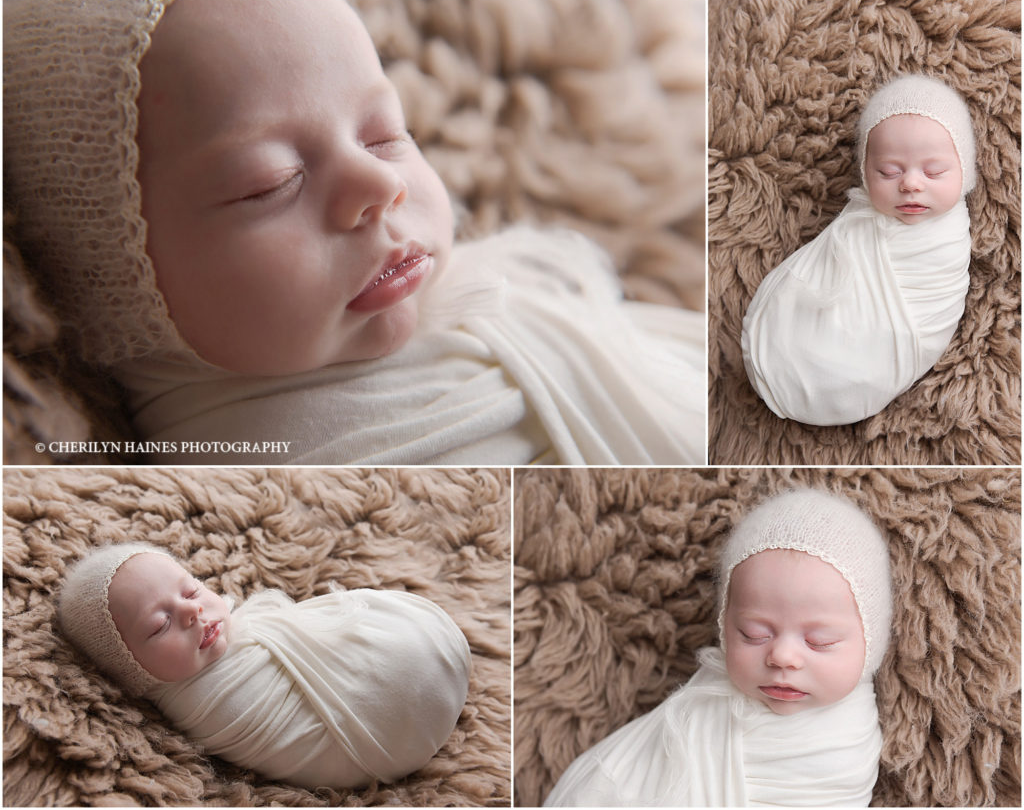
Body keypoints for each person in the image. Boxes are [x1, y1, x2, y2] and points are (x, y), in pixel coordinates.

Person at [3, 0, 705, 465]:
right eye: (271, 184)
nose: (381, 189)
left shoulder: (510, 313)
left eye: (384, 135)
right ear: (119, 283)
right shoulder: (286, 472)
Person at [545, 489, 892, 806]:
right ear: (726, 626)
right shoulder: (703, 711)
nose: (782, 657)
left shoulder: (851, 738)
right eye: (754, 634)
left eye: (820, 642)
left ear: (871, 643)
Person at [58, 542, 472, 789]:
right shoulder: (206, 699)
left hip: (403, 722)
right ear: (132, 670)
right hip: (374, 740)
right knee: (398, 627)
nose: (191, 612)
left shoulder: (208, 649)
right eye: (161, 624)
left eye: (191, 589)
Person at [742, 75, 974, 426]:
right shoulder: (861, 217)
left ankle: (838, 377)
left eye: (934, 171)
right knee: (802, 309)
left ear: (964, 172)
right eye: (888, 171)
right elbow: (829, 261)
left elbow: (935, 295)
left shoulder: (948, 236)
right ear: (865, 174)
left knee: (859, 354)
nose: (911, 183)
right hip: (795, 342)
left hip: (891, 341)